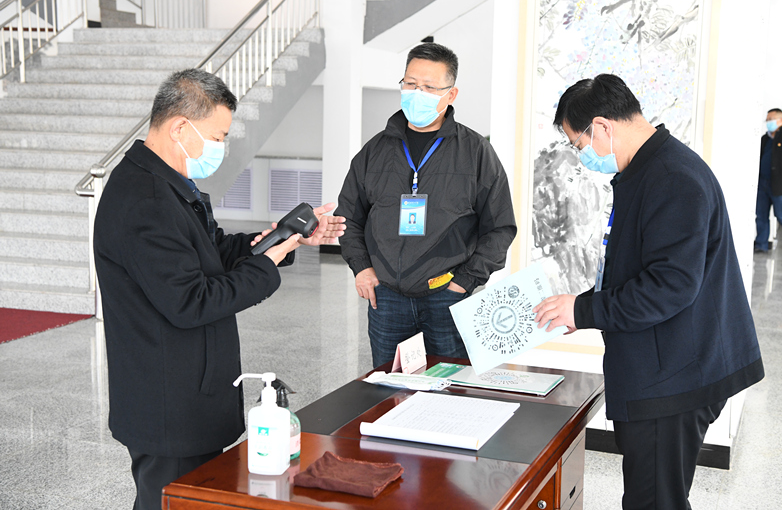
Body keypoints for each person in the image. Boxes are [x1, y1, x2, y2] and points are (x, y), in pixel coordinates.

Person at [94, 69, 345, 510]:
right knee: (171, 501)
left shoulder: (166, 184)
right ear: (179, 128)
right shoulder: (145, 201)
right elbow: (190, 301)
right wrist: (265, 266)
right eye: (217, 137)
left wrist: (281, 241)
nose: (220, 147)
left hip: (189, 392)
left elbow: (209, 251)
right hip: (169, 404)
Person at [533, 74, 764, 510]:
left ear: (602, 127)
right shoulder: (649, 170)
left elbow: (668, 287)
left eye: (578, 144)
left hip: (674, 375)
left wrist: (583, 311)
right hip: (667, 364)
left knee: (654, 502)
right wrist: (582, 306)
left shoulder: (672, 178)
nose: (582, 156)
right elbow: (639, 267)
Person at [336, 43, 517, 368]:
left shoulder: (475, 152)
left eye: (429, 87)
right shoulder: (375, 151)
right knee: (389, 386)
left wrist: (465, 282)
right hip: (386, 297)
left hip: (447, 294)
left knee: (451, 386)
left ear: (451, 94)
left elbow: (500, 227)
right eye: (410, 84)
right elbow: (348, 216)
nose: (417, 94)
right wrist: (361, 267)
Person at [754, 108, 782, 254]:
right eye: (767, 120)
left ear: (780, 120)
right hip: (763, 182)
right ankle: (761, 244)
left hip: (781, 184)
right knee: (761, 215)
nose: (768, 122)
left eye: (771, 119)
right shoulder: (765, 138)